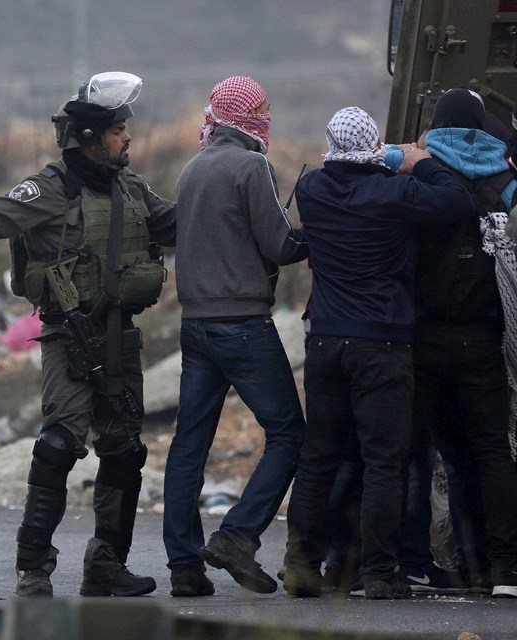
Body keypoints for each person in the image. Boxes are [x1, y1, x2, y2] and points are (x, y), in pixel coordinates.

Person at [0, 71, 176, 598]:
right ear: (93, 138)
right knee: (58, 445)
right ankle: (33, 568)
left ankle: (106, 566)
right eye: (119, 130)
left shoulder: (131, 187)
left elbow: (176, 224)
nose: (128, 138)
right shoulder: (51, 188)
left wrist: (230, 206)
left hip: (121, 337)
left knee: (124, 451)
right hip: (69, 337)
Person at [281, 106, 475, 600]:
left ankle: (302, 564)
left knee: (319, 455)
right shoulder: (396, 192)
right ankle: (380, 573)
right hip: (382, 342)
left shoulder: (312, 190)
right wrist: (416, 159)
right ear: (373, 146)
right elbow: (456, 201)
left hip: (325, 341)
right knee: (384, 460)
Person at [162, 75, 307, 597]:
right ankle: (238, 535)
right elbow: (280, 245)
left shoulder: (192, 167)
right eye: (262, 108)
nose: (266, 116)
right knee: (291, 434)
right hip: (243, 325)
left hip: (195, 326)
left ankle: (183, 566)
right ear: (248, 117)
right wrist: (319, 228)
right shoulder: (253, 165)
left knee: (189, 445)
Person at [408, 88, 517, 598]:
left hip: (426, 337)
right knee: (493, 450)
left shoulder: (423, 175)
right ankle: (504, 570)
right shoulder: (505, 178)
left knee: (435, 453)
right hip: (485, 337)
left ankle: (452, 562)